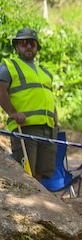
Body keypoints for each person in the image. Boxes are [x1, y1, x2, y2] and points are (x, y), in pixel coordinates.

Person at [0, 28, 59, 182]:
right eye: (23, 42)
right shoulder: (9, 66)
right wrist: (12, 113)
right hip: (25, 128)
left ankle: (39, 203)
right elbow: (0, 89)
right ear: (17, 46)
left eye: (32, 43)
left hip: (48, 129)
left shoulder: (45, 73)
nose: (28, 46)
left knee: (42, 172)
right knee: (26, 172)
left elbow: (49, 98)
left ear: (37, 47)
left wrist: (56, 121)